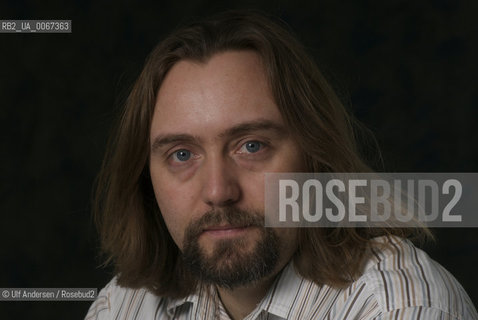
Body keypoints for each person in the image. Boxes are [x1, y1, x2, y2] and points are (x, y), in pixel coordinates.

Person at [85, 11, 477, 320]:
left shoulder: (399, 308)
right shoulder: (123, 306)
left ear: (314, 155)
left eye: (251, 146)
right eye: (182, 155)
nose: (218, 191)